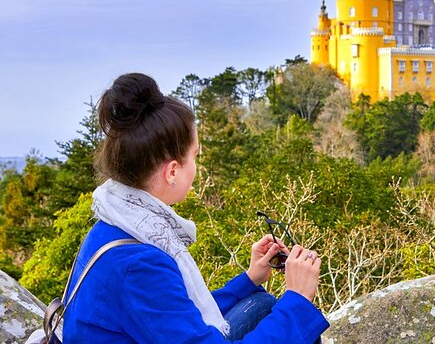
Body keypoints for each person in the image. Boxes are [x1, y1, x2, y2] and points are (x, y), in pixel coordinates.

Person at [63, 72, 329, 343]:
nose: (196, 166)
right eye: (195, 155)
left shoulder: (117, 220)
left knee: (262, 305)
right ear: (172, 172)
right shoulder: (139, 262)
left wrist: (250, 279)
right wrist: (298, 299)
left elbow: (175, 317)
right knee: (294, 321)